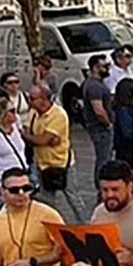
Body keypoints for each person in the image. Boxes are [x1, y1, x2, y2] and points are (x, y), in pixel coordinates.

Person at [25, 82, 87, 222]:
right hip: (43, 164)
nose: (29, 101)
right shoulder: (34, 113)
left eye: (32, 98)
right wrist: (35, 138)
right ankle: (51, 228)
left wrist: (35, 139)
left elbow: (41, 140)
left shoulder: (58, 114)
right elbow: (28, 132)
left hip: (61, 164)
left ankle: (86, 226)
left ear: (43, 99)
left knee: (73, 198)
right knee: (47, 201)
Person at [0, 97, 27, 208]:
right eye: (12, 111)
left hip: (19, 177)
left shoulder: (15, 127)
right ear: (2, 113)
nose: (16, 114)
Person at [82, 54, 114, 188]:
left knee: (105, 156)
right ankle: (101, 185)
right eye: (104, 66)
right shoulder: (94, 86)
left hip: (99, 128)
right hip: (100, 129)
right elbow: (98, 110)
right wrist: (108, 124)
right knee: (104, 158)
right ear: (95, 68)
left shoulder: (96, 84)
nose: (107, 69)